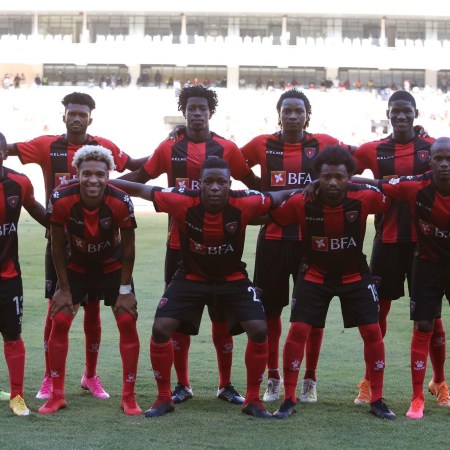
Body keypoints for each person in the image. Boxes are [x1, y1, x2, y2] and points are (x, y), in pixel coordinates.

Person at [111, 156, 295, 418]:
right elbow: (142, 189)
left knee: (259, 329)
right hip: (191, 277)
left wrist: (308, 189)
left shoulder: (245, 201)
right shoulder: (182, 200)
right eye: (209, 182)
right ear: (199, 184)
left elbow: (280, 196)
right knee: (161, 328)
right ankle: (164, 397)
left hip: (231, 278)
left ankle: (253, 400)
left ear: (230, 184)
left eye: (221, 182)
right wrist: (103, 182)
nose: (215, 187)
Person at [118, 84, 260, 406]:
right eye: (191, 108)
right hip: (179, 246)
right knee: (179, 318)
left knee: (221, 319)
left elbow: (252, 184)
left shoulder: (228, 148)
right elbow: (141, 177)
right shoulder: (169, 148)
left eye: (202, 108)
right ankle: (182, 385)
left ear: (211, 112)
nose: (197, 113)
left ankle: (225, 384)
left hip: (221, 246)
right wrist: (105, 188)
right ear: (183, 112)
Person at [6, 92, 147, 402]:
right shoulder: (46, 145)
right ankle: (49, 378)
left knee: (93, 311)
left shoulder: (104, 146)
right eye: (72, 113)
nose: (77, 118)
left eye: (82, 114)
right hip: (62, 246)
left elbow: (137, 165)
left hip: (101, 246)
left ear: (90, 118)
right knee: (57, 307)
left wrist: (171, 143)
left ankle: (90, 376)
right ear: (64, 116)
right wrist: (51, 224)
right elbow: (8, 148)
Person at [240, 89, 354, 403]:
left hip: (310, 242)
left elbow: (357, 158)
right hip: (273, 239)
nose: (292, 116)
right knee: (270, 313)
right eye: (287, 111)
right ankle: (273, 378)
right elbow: (231, 161)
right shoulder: (261, 144)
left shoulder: (324, 143)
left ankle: (309, 379)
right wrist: (260, 189)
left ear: (307, 115)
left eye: (298, 111)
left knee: (311, 315)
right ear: (279, 115)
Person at [269, 145, 395, 420]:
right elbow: (273, 211)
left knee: (372, 331)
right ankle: (289, 398)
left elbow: (392, 194)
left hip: (354, 274)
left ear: (349, 177)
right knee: (298, 330)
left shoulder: (364, 196)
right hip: (314, 274)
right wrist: (303, 187)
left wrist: (357, 180)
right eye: (326, 177)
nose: (333, 182)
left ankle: (377, 399)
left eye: (340, 177)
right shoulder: (302, 201)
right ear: (317, 178)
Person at [351, 90, 450, 407]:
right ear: (388, 114)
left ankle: (438, 382)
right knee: (376, 315)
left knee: (431, 318)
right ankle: (368, 381)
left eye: (407, 111)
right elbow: (341, 169)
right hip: (388, 241)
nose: (402, 116)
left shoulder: (431, 147)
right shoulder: (373, 150)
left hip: (425, 246)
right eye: (396, 111)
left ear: (415, 113)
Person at [38, 145, 141, 415]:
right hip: (77, 265)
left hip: (111, 265)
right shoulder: (61, 197)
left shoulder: (121, 200)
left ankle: (128, 397)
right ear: (77, 174)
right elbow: (57, 246)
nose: (93, 180)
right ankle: (57, 395)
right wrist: (63, 288)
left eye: (100, 174)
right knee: (60, 319)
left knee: (127, 320)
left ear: (108, 175)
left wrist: (125, 289)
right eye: (87, 174)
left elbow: (128, 249)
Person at [0, 132, 48, 415]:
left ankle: (17, 396)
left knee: (12, 334)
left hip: (8, 277)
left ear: (4, 153)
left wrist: (61, 229)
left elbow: (36, 209)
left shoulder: (18, 182)